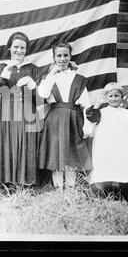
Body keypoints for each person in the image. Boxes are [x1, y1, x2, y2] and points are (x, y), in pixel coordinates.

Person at [37, 41, 93, 188]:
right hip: (55, 119)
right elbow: (43, 93)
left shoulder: (78, 78)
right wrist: (51, 74)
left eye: (65, 55)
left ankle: (70, 188)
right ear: (54, 57)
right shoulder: (48, 77)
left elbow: (86, 104)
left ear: (70, 56)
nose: (62, 59)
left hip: (74, 118)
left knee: (71, 154)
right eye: (59, 55)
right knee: (56, 154)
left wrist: (87, 124)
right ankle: (58, 189)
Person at [0, 32, 41, 185]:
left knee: (26, 144)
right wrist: (5, 73)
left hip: (27, 111)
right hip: (6, 110)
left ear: (26, 50)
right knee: (5, 143)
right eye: (16, 47)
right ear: (9, 48)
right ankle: (4, 181)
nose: (19, 51)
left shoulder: (33, 69)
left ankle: (25, 182)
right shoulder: (2, 67)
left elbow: (39, 98)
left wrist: (32, 84)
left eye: (22, 48)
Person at [86, 82, 128, 200]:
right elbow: (91, 117)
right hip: (105, 146)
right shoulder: (100, 112)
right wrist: (97, 104)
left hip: (122, 146)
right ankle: (102, 194)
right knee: (105, 169)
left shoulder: (126, 113)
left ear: (121, 97)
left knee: (122, 168)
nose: (114, 98)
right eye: (110, 96)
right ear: (106, 97)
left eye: (117, 96)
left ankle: (124, 195)